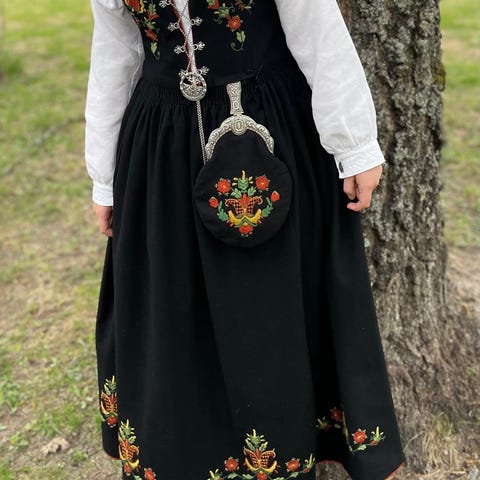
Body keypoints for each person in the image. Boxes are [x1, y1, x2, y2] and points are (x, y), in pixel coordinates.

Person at [84, 0, 406, 479]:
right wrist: (104, 176)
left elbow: (316, 28)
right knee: (174, 306)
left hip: (267, 132)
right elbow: (116, 51)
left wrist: (355, 144)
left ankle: (283, 451)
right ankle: (185, 455)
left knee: (268, 307)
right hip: (160, 148)